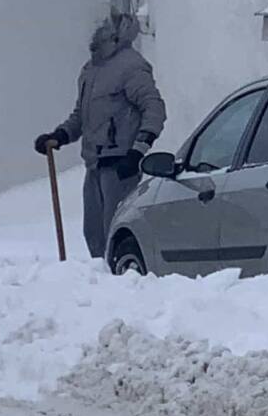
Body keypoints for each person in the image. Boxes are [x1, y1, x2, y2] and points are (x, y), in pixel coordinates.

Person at [35, 13, 168, 260]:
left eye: (100, 29)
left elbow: (154, 108)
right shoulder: (91, 70)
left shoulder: (130, 66)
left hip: (120, 165)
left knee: (115, 231)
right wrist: (60, 135)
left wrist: (138, 150)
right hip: (94, 164)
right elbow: (82, 115)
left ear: (113, 34)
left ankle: (123, 280)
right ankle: (102, 284)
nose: (93, 36)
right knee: (93, 233)